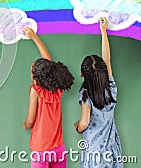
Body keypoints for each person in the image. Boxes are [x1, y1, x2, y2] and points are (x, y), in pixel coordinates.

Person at [74, 17, 123, 168]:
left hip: (94, 151)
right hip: (112, 147)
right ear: (103, 72)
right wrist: (103, 31)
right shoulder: (111, 88)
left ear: (82, 75)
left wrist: (77, 126)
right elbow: (107, 60)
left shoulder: (86, 94)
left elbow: (85, 122)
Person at [22, 27, 74, 168]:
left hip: (41, 150)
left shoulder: (35, 91)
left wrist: (26, 125)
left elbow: (30, 120)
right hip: (59, 149)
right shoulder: (56, 89)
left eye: (32, 71)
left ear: (36, 76)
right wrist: (34, 37)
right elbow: (49, 63)